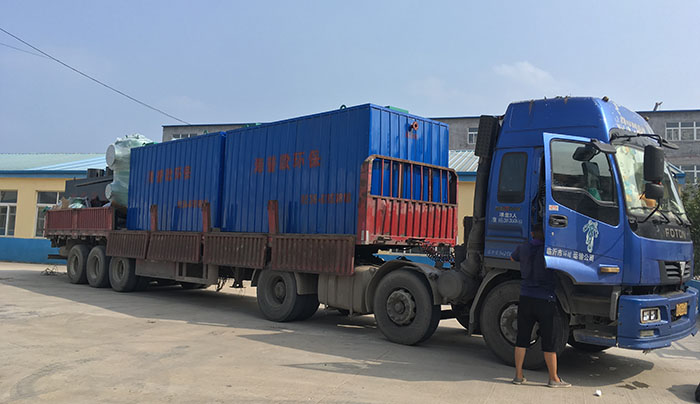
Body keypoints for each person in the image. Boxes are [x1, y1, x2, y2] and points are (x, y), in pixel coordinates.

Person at [510, 223, 570, 388]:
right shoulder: (549, 251)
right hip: (545, 300)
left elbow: (512, 258)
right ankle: (553, 378)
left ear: (532, 234)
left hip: (526, 297)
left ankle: (518, 376)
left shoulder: (523, 248)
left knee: (522, 338)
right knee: (549, 341)